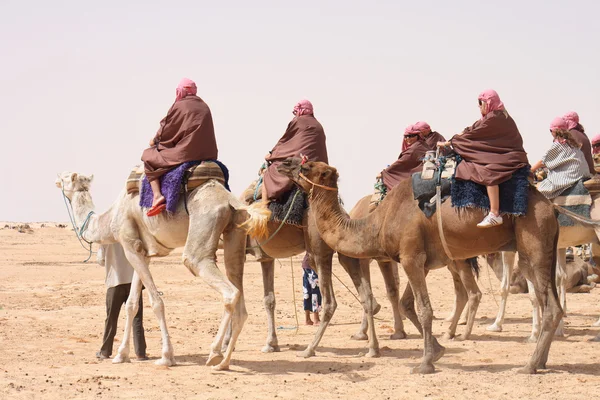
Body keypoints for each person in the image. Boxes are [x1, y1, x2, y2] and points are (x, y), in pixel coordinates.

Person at [438, 89, 529, 228]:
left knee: (488, 171)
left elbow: (475, 136)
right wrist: (456, 138)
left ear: (489, 103)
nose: (479, 106)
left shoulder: (496, 118)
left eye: (481, 103)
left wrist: (453, 142)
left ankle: (494, 213)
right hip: (502, 154)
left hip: (508, 157)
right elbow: (472, 130)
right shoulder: (491, 117)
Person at [141, 78, 218, 216]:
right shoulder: (204, 105)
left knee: (148, 156)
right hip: (208, 153)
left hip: (187, 153)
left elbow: (166, 131)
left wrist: (155, 140)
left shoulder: (179, 105)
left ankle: (157, 195)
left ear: (180, 91)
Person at [261, 99, 328, 202]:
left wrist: (272, 154)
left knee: (269, 173)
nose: (295, 114)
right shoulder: (318, 125)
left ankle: (263, 207)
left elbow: (286, 141)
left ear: (301, 110)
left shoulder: (298, 121)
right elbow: (295, 144)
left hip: (302, 165)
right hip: (318, 167)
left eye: (296, 112)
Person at [96, 244, 147, 361]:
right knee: (137, 318)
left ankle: (105, 351)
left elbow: (101, 260)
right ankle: (141, 353)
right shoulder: (133, 236)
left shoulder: (106, 240)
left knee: (111, 319)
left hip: (115, 281)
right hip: (133, 282)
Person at [530, 117, 591, 199]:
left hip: (571, 177)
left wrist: (530, 170)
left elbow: (543, 161)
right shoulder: (571, 143)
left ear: (554, 131)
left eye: (550, 131)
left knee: (539, 192)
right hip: (582, 175)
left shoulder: (559, 144)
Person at [379, 124, 430, 192]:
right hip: (421, 170)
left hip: (419, 172)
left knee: (389, 177)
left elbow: (402, 162)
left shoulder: (414, 148)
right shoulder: (420, 145)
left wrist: (384, 173)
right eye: (406, 136)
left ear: (418, 136)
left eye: (411, 136)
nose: (408, 139)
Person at [301, 253, 322, 326]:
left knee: (307, 292)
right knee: (315, 291)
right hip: (313, 265)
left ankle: (307, 319)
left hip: (306, 264)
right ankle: (316, 319)